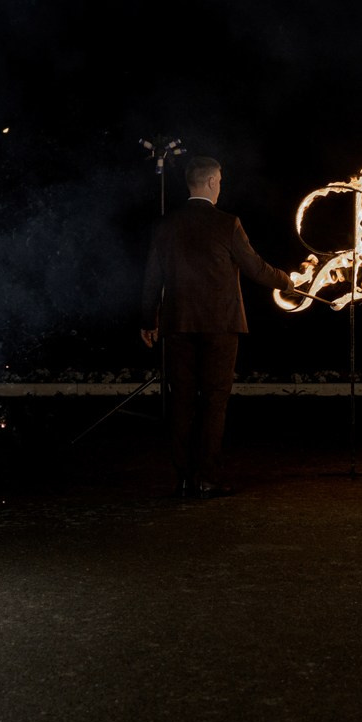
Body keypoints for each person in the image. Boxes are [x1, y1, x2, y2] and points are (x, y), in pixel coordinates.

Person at [140, 156, 293, 498]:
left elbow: (152, 277)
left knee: (180, 401)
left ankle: (182, 479)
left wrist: (147, 320)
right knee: (214, 402)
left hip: (177, 324)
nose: (221, 186)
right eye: (220, 181)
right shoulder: (228, 224)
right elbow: (255, 268)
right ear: (210, 182)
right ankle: (207, 479)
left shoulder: (166, 225)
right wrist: (286, 281)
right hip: (221, 326)